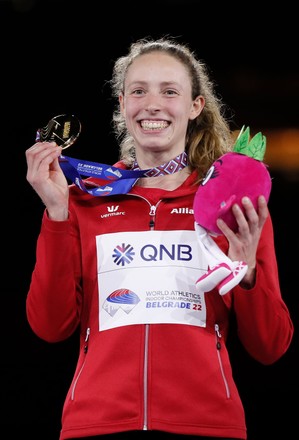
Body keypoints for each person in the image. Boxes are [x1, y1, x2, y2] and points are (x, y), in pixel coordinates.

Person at [25, 36, 294, 440]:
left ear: (194, 107)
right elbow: (50, 326)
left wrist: (249, 273)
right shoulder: (85, 199)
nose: (152, 104)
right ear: (122, 104)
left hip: (206, 424)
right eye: (139, 91)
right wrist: (57, 214)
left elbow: (270, 345)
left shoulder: (232, 205)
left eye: (169, 91)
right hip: (98, 423)